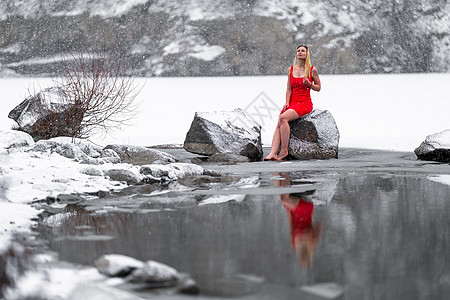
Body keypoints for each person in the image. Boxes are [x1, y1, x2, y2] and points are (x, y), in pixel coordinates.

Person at [264, 45, 321, 161]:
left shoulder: (312, 70)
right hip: (292, 102)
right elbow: (289, 89)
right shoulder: (290, 70)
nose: (300, 52)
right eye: (298, 51)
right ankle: (272, 152)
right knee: (279, 121)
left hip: (304, 103)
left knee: (283, 118)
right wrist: (287, 102)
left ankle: (284, 151)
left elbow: (318, 87)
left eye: (302, 51)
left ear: (307, 54)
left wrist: (309, 84)